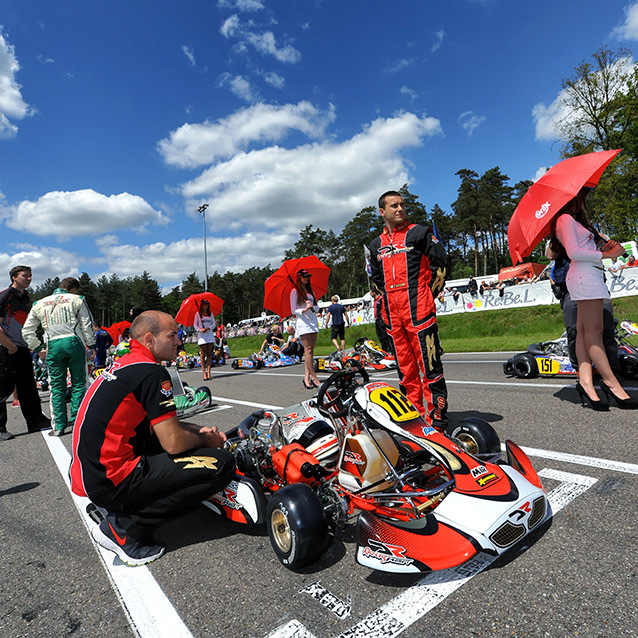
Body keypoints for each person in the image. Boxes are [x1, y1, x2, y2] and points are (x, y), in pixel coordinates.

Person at [70, 311, 235, 566]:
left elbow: (158, 425)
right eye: (172, 335)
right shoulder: (152, 373)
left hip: (91, 474)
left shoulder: (126, 363)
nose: (179, 341)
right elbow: (173, 442)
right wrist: (208, 442)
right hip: (111, 479)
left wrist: (199, 430)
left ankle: (120, 508)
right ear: (149, 339)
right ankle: (125, 530)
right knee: (221, 463)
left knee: (183, 444)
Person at [550, 188, 638, 410]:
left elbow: (585, 248)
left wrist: (606, 247)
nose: (585, 200)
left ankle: (586, 383)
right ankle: (611, 383)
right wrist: (609, 255)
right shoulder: (564, 219)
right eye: (582, 196)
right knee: (593, 333)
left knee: (583, 333)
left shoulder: (576, 222)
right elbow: (574, 253)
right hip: (583, 277)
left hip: (591, 275)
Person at [369, 191, 448, 427]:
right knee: (405, 372)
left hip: (419, 310)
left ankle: (437, 419)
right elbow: (376, 281)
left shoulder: (420, 233)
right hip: (393, 317)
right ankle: (413, 417)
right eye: (394, 205)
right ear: (382, 212)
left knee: (430, 367)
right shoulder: (376, 245)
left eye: (402, 204)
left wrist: (425, 295)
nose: (400, 208)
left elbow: (441, 266)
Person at [23, 277, 96, 436]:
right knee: (79, 383)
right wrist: (91, 345)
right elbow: (87, 324)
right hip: (74, 342)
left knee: (56, 386)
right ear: (74, 289)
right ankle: (78, 419)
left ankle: (58, 425)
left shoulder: (39, 303)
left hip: (53, 345)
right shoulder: (77, 299)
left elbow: (26, 330)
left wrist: (37, 348)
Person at [546, 244, 621, 378]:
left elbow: (607, 249)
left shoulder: (589, 233)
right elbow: (550, 255)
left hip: (595, 283)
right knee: (574, 330)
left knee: (606, 327)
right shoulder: (558, 235)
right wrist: (558, 240)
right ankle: (580, 369)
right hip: (570, 286)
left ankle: (612, 369)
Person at [0, 265, 51, 441]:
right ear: (14, 277)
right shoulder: (5, 296)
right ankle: (0, 428)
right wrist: (9, 345)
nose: (28, 279)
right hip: (7, 347)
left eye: (30, 276)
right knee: (3, 386)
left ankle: (36, 421)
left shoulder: (25, 297)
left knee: (28, 386)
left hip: (22, 347)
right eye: (24, 276)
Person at [290, 268, 320, 389]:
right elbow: (293, 310)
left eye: (308, 276)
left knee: (311, 350)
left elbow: (317, 307)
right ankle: (314, 377)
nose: (306, 279)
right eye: (304, 276)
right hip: (303, 322)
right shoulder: (294, 292)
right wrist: (304, 309)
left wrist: (312, 306)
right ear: (299, 278)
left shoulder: (310, 291)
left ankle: (306, 378)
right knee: (307, 349)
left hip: (313, 321)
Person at [193, 299, 216, 381]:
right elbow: (195, 325)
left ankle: (209, 372)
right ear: (202, 305)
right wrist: (200, 330)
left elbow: (214, 324)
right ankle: (204, 372)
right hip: (202, 336)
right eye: (205, 304)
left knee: (209, 353)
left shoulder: (211, 314)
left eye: (207, 304)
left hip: (209, 335)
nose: (206, 305)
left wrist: (208, 328)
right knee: (202, 354)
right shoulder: (197, 314)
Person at [370, 288, 393, 353]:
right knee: (379, 336)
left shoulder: (380, 299)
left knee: (384, 336)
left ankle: (387, 349)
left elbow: (383, 308)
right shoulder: (374, 301)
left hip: (381, 319)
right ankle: (384, 349)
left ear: (374, 292)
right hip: (377, 320)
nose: (370, 293)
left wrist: (383, 317)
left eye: (371, 292)